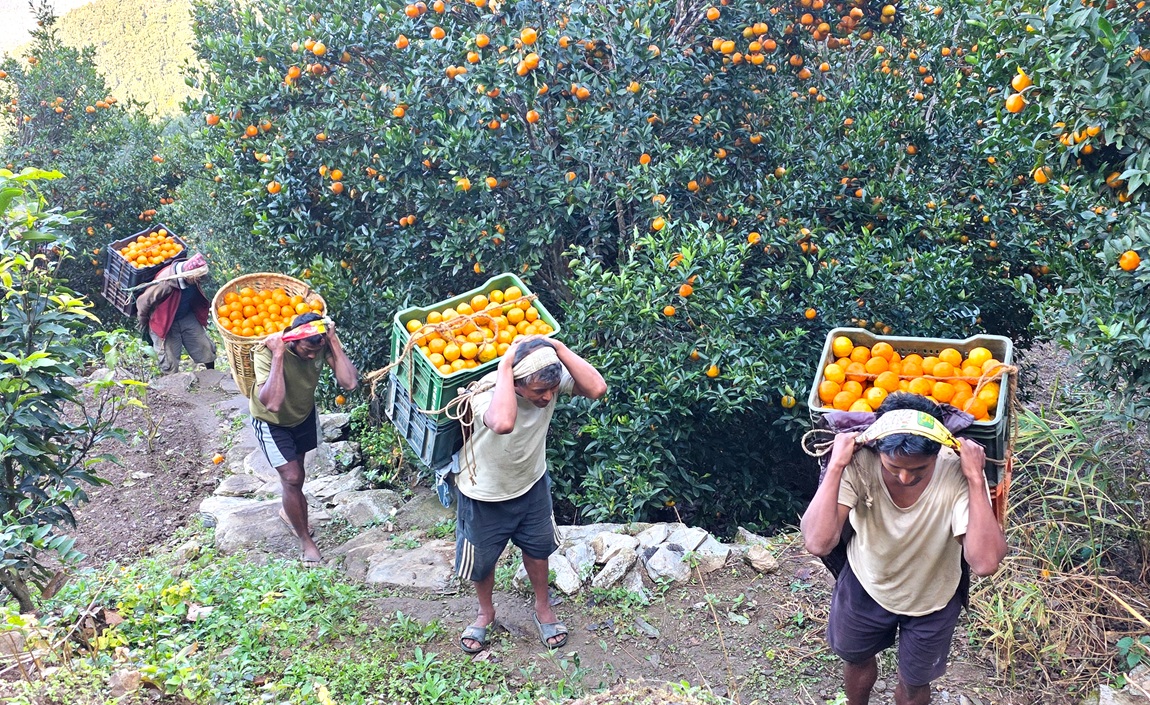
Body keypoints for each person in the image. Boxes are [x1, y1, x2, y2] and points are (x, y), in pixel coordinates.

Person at [800, 392, 1007, 705]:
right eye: (894, 466)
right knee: (856, 660)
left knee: (914, 684)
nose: (905, 476)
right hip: (866, 584)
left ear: (938, 453)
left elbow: (985, 561)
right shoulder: (859, 463)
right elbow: (818, 541)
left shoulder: (955, 472)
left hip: (933, 599)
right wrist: (836, 464)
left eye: (919, 470)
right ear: (878, 447)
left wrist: (976, 480)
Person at [454, 336, 607, 654]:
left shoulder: (544, 378)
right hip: (484, 494)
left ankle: (543, 607)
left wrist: (560, 348)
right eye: (539, 392)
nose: (548, 397)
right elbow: (503, 422)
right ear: (516, 383)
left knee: (538, 549)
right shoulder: (484, 393)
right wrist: (506, 364)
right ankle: (486, 613)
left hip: (531, 483)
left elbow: (597, 388)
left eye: (551, 390)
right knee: (481, 561)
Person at [249, 312, 358, 566]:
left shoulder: (320, 346)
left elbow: (350, 382)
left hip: (302, 415)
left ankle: (291, 514)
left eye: (315, 351)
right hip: (272, 422)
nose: (311, 357)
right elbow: (273, 403)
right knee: (292, 476)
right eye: (307, 350)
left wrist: (332, 342)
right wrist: (277, 353)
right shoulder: (266, 352)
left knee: (298, 477)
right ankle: (305, 539)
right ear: (293, 341)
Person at [135, 254, 216, 374]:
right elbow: (142, 302)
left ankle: (212, 374)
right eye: (198, 278)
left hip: (186, 315)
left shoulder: (193, 277)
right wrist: (144, 322)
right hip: (165, 320)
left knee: (204, 347)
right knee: (169, 360)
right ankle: (171, 386)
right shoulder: (165, 284)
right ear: (190, 276)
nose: (201, 280)